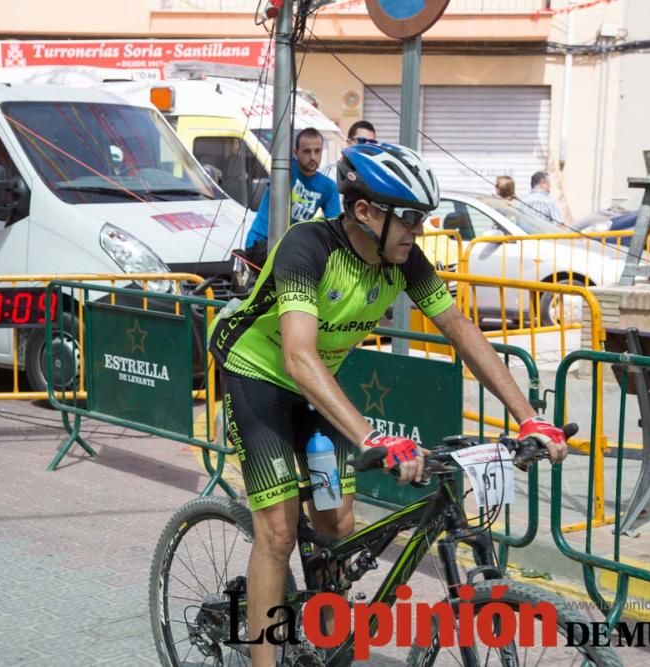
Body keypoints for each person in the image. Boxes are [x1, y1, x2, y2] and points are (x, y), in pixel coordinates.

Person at [209, 141, 570, 667]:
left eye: (423, 220)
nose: (418, 232)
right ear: (363, 211)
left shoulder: (402, 260)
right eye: (409, 219)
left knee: (336, 524)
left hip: (314, 388)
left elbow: (461, 329)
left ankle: (329, 648)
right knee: (280, 532)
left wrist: (530, 416)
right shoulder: (307, 248)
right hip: (257, 375)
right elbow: (297, 355)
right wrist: (374, 438)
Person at [243, 128, 341, 264]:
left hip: (292, 248)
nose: (313, 157)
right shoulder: (284, 169)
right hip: (261, 244)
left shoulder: (328, 187)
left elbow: (334, 227)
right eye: (307, 151)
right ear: (296, 153)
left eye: (317, 151)